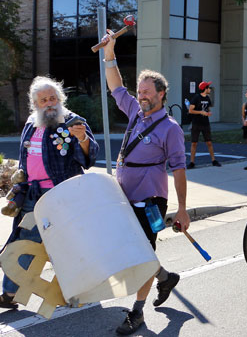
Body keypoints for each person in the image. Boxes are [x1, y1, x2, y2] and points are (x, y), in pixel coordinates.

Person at [101, 31, 190, 335]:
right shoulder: (134, 115)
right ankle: (165, 278)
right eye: (139, 92)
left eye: (147, 92)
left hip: (151, 201)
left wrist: (182, 210)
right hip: (123, 198)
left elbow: (179, 171)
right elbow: (115, 86)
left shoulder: (170, 129)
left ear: (161, 93)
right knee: (134, 253)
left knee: (141, 255)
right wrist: (109, 52)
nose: (142, 96)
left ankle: (137, 313)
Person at [0, 77, 98, 309]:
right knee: (22, 243)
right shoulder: (31, 123)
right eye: (43, 99)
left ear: (60, 99)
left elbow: (89, 157)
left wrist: (82, 138)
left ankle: (78, 291)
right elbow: (25, 158)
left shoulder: (73, 121)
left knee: (65, 246)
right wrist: (19, 182)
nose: (49, 103)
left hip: (62, 196)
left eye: (53, 98)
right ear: (35, 103)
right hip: (32, 195)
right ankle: (9, 294)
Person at [187, 81, 220, 169]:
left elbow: (207, 108)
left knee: (209, 142)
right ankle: (192, 162)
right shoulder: (196, 98)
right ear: (205, 89)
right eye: (208, 88)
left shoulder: (208, 98)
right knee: (194, 143)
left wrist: (208, 113)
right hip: (196, 123)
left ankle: (214, 160)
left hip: (205, 123)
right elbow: (190, 110)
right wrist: (201, 112)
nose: (209, 89)